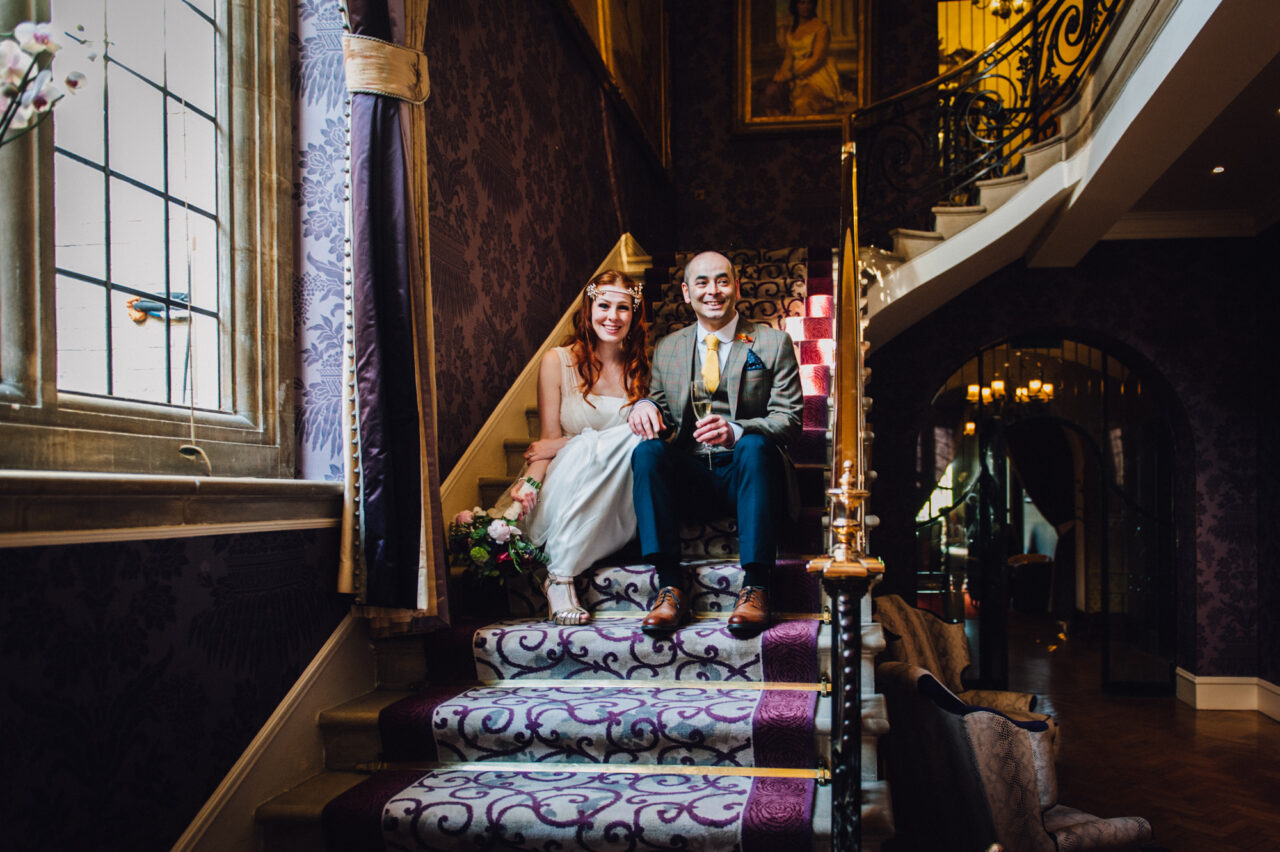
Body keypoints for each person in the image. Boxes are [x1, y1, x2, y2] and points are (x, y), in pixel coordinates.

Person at [627, 251, 803, 638]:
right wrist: (643, 405)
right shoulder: (668, 348)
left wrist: (737, 430)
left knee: (755, 447)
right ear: (687, 293)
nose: (713, 291)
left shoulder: (773, 342)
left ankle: (756, 585)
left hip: (749, 475)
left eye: (722, 281)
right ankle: (671, 585)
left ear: (736, 288)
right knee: (647, 453)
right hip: (692, 476)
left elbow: (789, 421)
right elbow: (661, 412)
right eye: (702, 283)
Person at [507, 270, 650, 626]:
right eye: (604, 305)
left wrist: (575, 440)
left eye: (623, 308)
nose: (612, 317)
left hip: (622, 490)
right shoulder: (557, 361)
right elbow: (545, 444)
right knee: (620, 439)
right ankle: (560, 578)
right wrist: (530, 485)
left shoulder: (643, 368)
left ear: (634, 315)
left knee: (640, 437)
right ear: (589, 308)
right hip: (571, 483)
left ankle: (561, 574)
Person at [762, 0, 844, 116]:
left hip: (816, 75)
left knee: (802, 104)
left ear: (814, 5)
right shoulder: (792, 30)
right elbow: (788, 59)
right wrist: (783, 73)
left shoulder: (821, 27)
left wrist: (793, 74)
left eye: (809, 3)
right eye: (802, 3)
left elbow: (817, 59)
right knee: (772, 94)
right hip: (794, 76)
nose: (806, 7)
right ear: (795, 5)